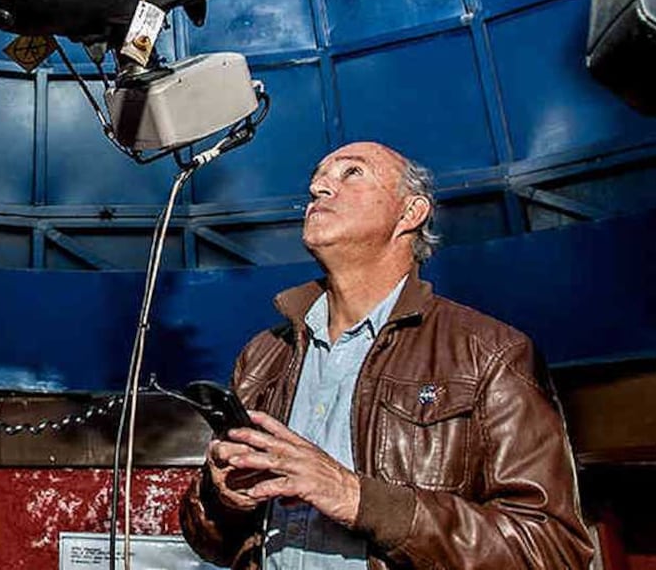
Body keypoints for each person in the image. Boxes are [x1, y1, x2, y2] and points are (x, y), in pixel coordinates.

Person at [179, 141, 593, 569]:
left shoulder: (490, 354)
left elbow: (551, 551)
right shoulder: (263, 357)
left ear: (411, 212)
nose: (318, 188)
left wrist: (358, 498)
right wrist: (223, 500)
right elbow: (211, 543)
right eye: (317, 179)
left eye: (352, 172)